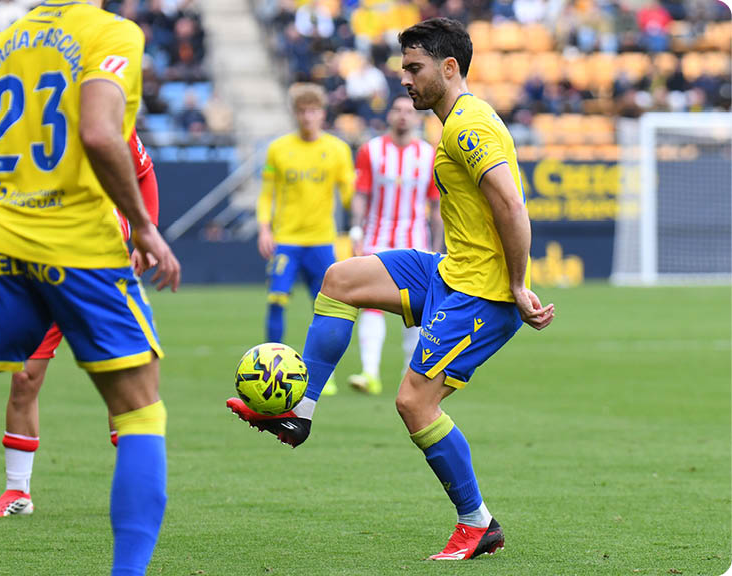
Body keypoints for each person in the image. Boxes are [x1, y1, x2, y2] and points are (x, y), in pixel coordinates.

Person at [228, 17, 554, 560]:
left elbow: (512, 205)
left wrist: (518, 285)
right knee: (340, 278)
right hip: (449, 273)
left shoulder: (468, 128)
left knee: (413, 403)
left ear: (449, 68)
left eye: (414, 68)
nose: (404, 79)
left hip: (482, 295)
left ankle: (478, 524)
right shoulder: (454, 124)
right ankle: (299, 411)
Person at [0, 3, 181, 576]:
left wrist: (22, 199)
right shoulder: (112, 33)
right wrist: (141, 224)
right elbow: (97, 130)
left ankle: (17, 489)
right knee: (140, 414)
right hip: (80, 249)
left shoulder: (2, 44)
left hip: (1, 245)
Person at [0, 130, 160, 519]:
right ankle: (17, 493)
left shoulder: (105, 115)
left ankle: (135, 488)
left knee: (124, 379)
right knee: (25, 376)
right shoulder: (19, 125)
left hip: (99, 269)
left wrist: (146, 234)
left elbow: (144, 173)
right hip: (37, 268)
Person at [256, 82, 354, 396]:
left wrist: (362, 227)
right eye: (302, 111)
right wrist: (264, 229)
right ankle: (273, 370)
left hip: (323, 241)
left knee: (326, 308)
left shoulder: (337, 149)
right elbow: (266, 194)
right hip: (286, 239)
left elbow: (351, 195)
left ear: (322, 113)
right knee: (276, 300)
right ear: (295, 114)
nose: (308, 117)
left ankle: (323, 375)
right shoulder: (279, 149)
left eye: (313, 111)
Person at [346, 94, 443, 395]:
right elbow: (361, 194)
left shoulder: (429, 155)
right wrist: (355, 231)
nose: (403, 115)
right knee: (371, 305)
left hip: (415, 242)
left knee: (414, 311)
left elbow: (436, 205)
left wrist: (437, 247)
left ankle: (409, 376)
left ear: (416, 118)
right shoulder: (371, 151)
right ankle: (369, 373)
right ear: (389, 115)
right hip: (377, 240)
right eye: (397, 110)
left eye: (408, 110)